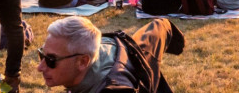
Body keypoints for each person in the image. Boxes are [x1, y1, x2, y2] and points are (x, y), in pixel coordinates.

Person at [37, 15, 185, 92]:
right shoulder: (95, 46)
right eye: (41, 55)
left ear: (83, 62)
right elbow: (157, 29)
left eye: (51, 60)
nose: (40, 67)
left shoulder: (113, 90)